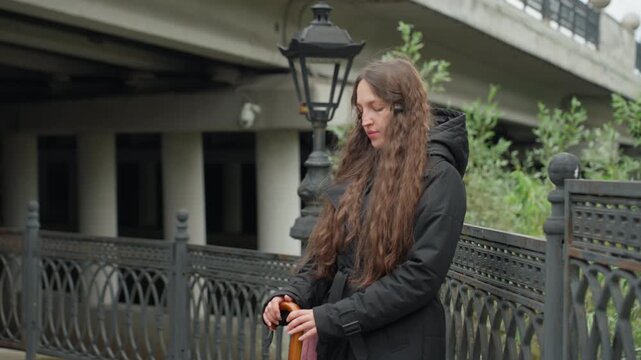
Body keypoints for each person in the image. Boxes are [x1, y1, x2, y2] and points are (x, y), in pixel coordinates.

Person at [262, 57, 468, 360]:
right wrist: (291, 295)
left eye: (376, 108)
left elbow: (420, 278)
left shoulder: (441, 178)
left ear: (404, 109)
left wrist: (331, 318)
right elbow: (328, 258)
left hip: (401, 346)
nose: (365, 120)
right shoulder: (362, 169)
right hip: (345, 342)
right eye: (360, 110)